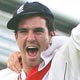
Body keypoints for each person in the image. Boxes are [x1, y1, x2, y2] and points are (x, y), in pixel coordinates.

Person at [0, 1, 79, 80]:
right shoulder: (4, 76)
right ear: (16, 37)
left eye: (38, 31)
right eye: (24, 31)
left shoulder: (68, 61)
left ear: (52, 35)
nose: (31, 38)